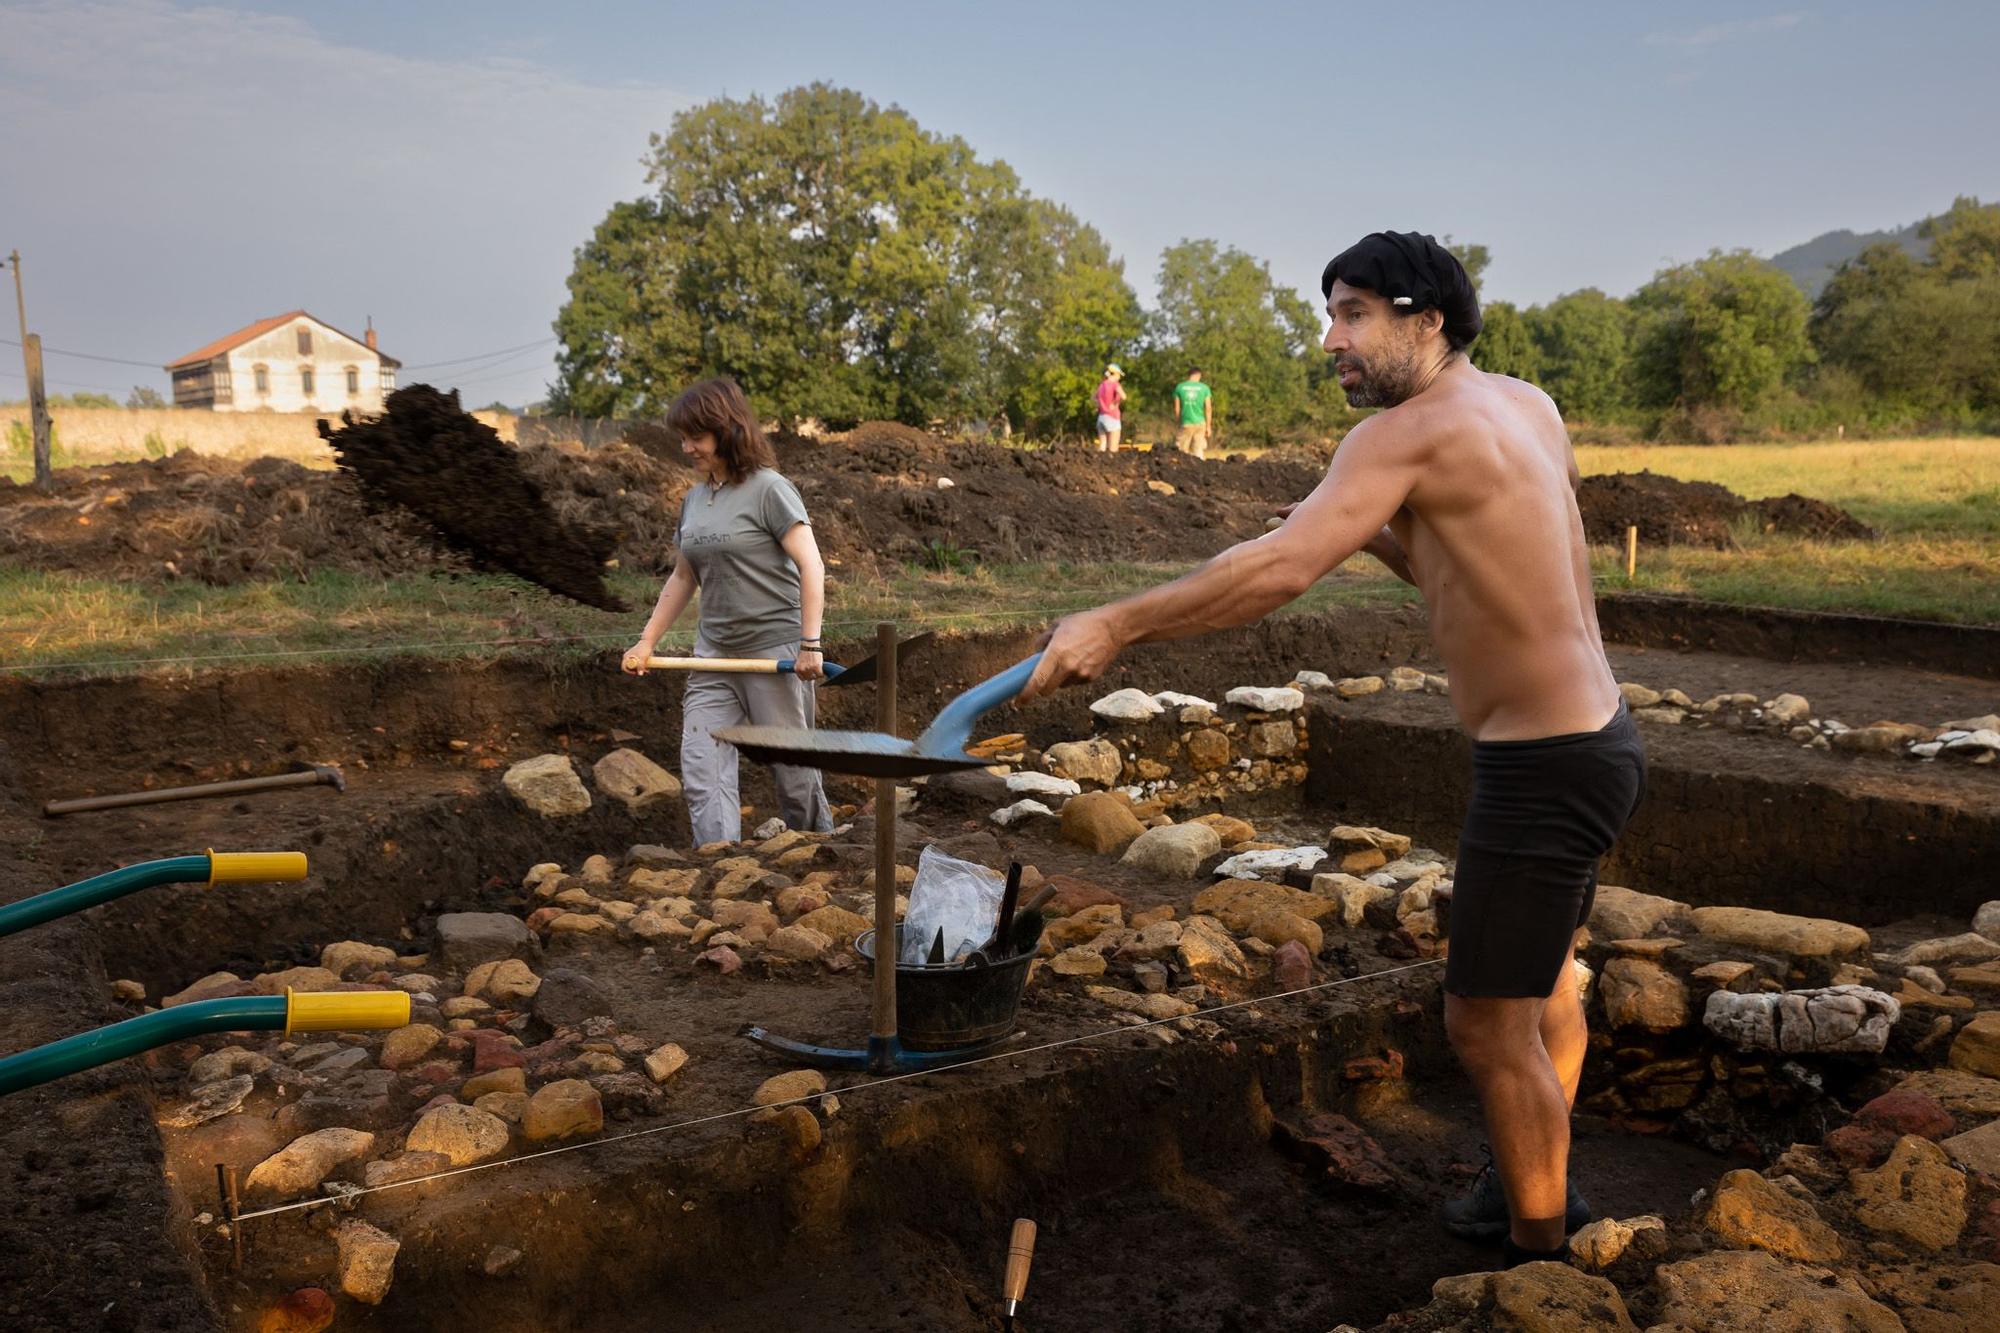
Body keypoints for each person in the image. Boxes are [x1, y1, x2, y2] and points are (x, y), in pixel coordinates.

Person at [1023, 231, 1645, 1269]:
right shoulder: (1524, 405)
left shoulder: (1397, 436)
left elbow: (1271, 573)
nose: (1329, 340)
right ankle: (1523, 1174)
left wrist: (1115, 623)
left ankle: (1541, 1262)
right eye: (1330, 315)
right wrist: (1380, 535)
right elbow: (1485, 570)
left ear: (1425, 318)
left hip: (1538, 770)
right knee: (1546, 989)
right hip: (1598, 740)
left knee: (1485, 1028)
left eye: (1352, 313)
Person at [621, 377, 834, 846]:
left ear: (726, 430)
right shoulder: (695, 500)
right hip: (713, 656)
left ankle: (822, 853)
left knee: (794, 774)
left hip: (772, 652)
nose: (686, 448)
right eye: (683, 438)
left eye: (695, 437)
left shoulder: (769, 489)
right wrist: (646, 640)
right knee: (702, 765)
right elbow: (683, 577)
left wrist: (810, 643)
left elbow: (811, 564)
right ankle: (720, 862)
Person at [1171, 367, 1213, 457]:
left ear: (1189, 375)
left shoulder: (1179, 387)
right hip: (1201, 423)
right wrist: (1208, 427)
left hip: (1186, 422)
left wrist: (1179, 422)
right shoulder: (1205, 388)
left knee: (1182, 451)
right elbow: (1208, 408)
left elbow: (1177, 408)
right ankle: (1200, 469)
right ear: (1199, 375)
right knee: (1198, 451)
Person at [1094, 364, 1126, 451]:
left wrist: (1099, 405)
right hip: (1113, 417)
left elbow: (1094, 398)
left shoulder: (1101, 385)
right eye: (1119, 375)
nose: (1119, 377)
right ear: (1115, 374)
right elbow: (1123, 396)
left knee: (1102, 447)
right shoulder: (1115, 384)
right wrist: (1115, 403)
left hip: (1101, 418)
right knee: (1113, 449)